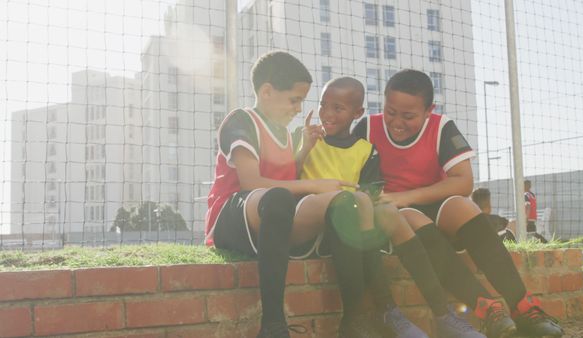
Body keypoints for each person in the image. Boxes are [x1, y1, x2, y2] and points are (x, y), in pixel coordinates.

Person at [353, 69, 564, 337]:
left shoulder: (441, 127)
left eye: (408, 116)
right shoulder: (367, 128)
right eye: (390, 111)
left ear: (429, 110)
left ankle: (523, 307)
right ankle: (487, 309)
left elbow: (463, 182)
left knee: (464, 206)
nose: (396, 122)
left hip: (428, 206)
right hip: (397, 218)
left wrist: (407, 195)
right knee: (414, 217)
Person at [298, 76, 487, 338]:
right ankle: (382, 309)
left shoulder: (365, 150)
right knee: (356, 209)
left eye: (337, 108)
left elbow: (370, 194)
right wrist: (304, 148)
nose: (327, 114)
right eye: (323, 105)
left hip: (354, 223)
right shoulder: (306, 140)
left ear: (358, 113)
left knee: (384, 211)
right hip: (315, 223)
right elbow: (290, 181)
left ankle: (439, 315)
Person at [204, 51, 365, 338]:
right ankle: (274, 327)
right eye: (295, 100)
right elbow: (252, 183)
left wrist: (304, 152)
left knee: (344, 200)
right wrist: (314, 185)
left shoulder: (287, 134)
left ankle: (356, 321)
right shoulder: (241, 120)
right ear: (267, 92)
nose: (298, 108)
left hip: (272, 218)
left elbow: (284, 180)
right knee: (279, 198)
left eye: (302, 101)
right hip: (230, 219)